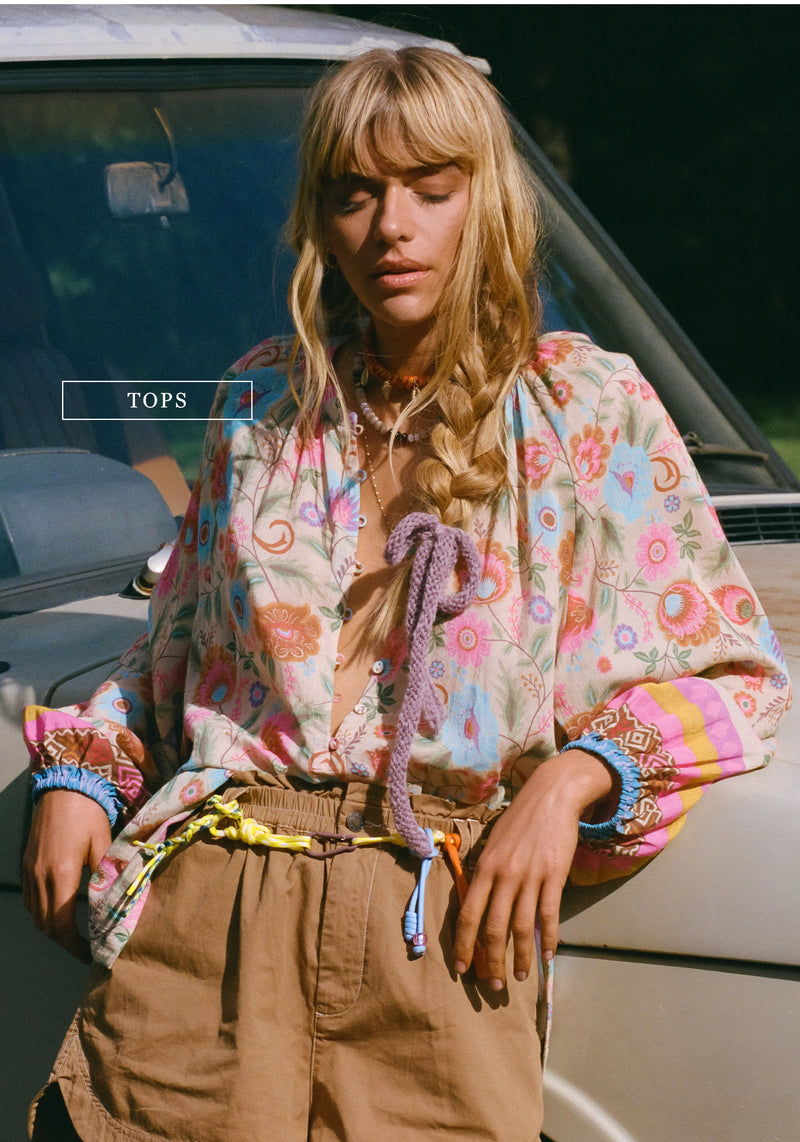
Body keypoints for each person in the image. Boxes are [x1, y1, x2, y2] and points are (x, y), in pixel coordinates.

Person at [22, 47, 790, 1142]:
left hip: (439, 935)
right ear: (321, 219)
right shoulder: (261, 403)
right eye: (355, 194)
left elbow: (736, 674)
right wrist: (81, 777)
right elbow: (170, 661)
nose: (391, 226)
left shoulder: (584, 406)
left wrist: (572, 776)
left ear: (488, 199)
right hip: (214, 925)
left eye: (431, 189)